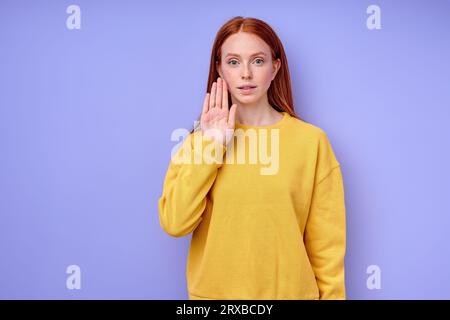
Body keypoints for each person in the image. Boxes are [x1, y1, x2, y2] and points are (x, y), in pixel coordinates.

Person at [158, 16, 347, 300]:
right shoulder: (198, 143)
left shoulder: (311, 142)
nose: (246, 73)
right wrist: (212, 147)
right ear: (219, 69)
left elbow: (327, 249)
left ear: (275, 67)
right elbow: (175, 223)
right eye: (233, 62)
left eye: (257, 61)